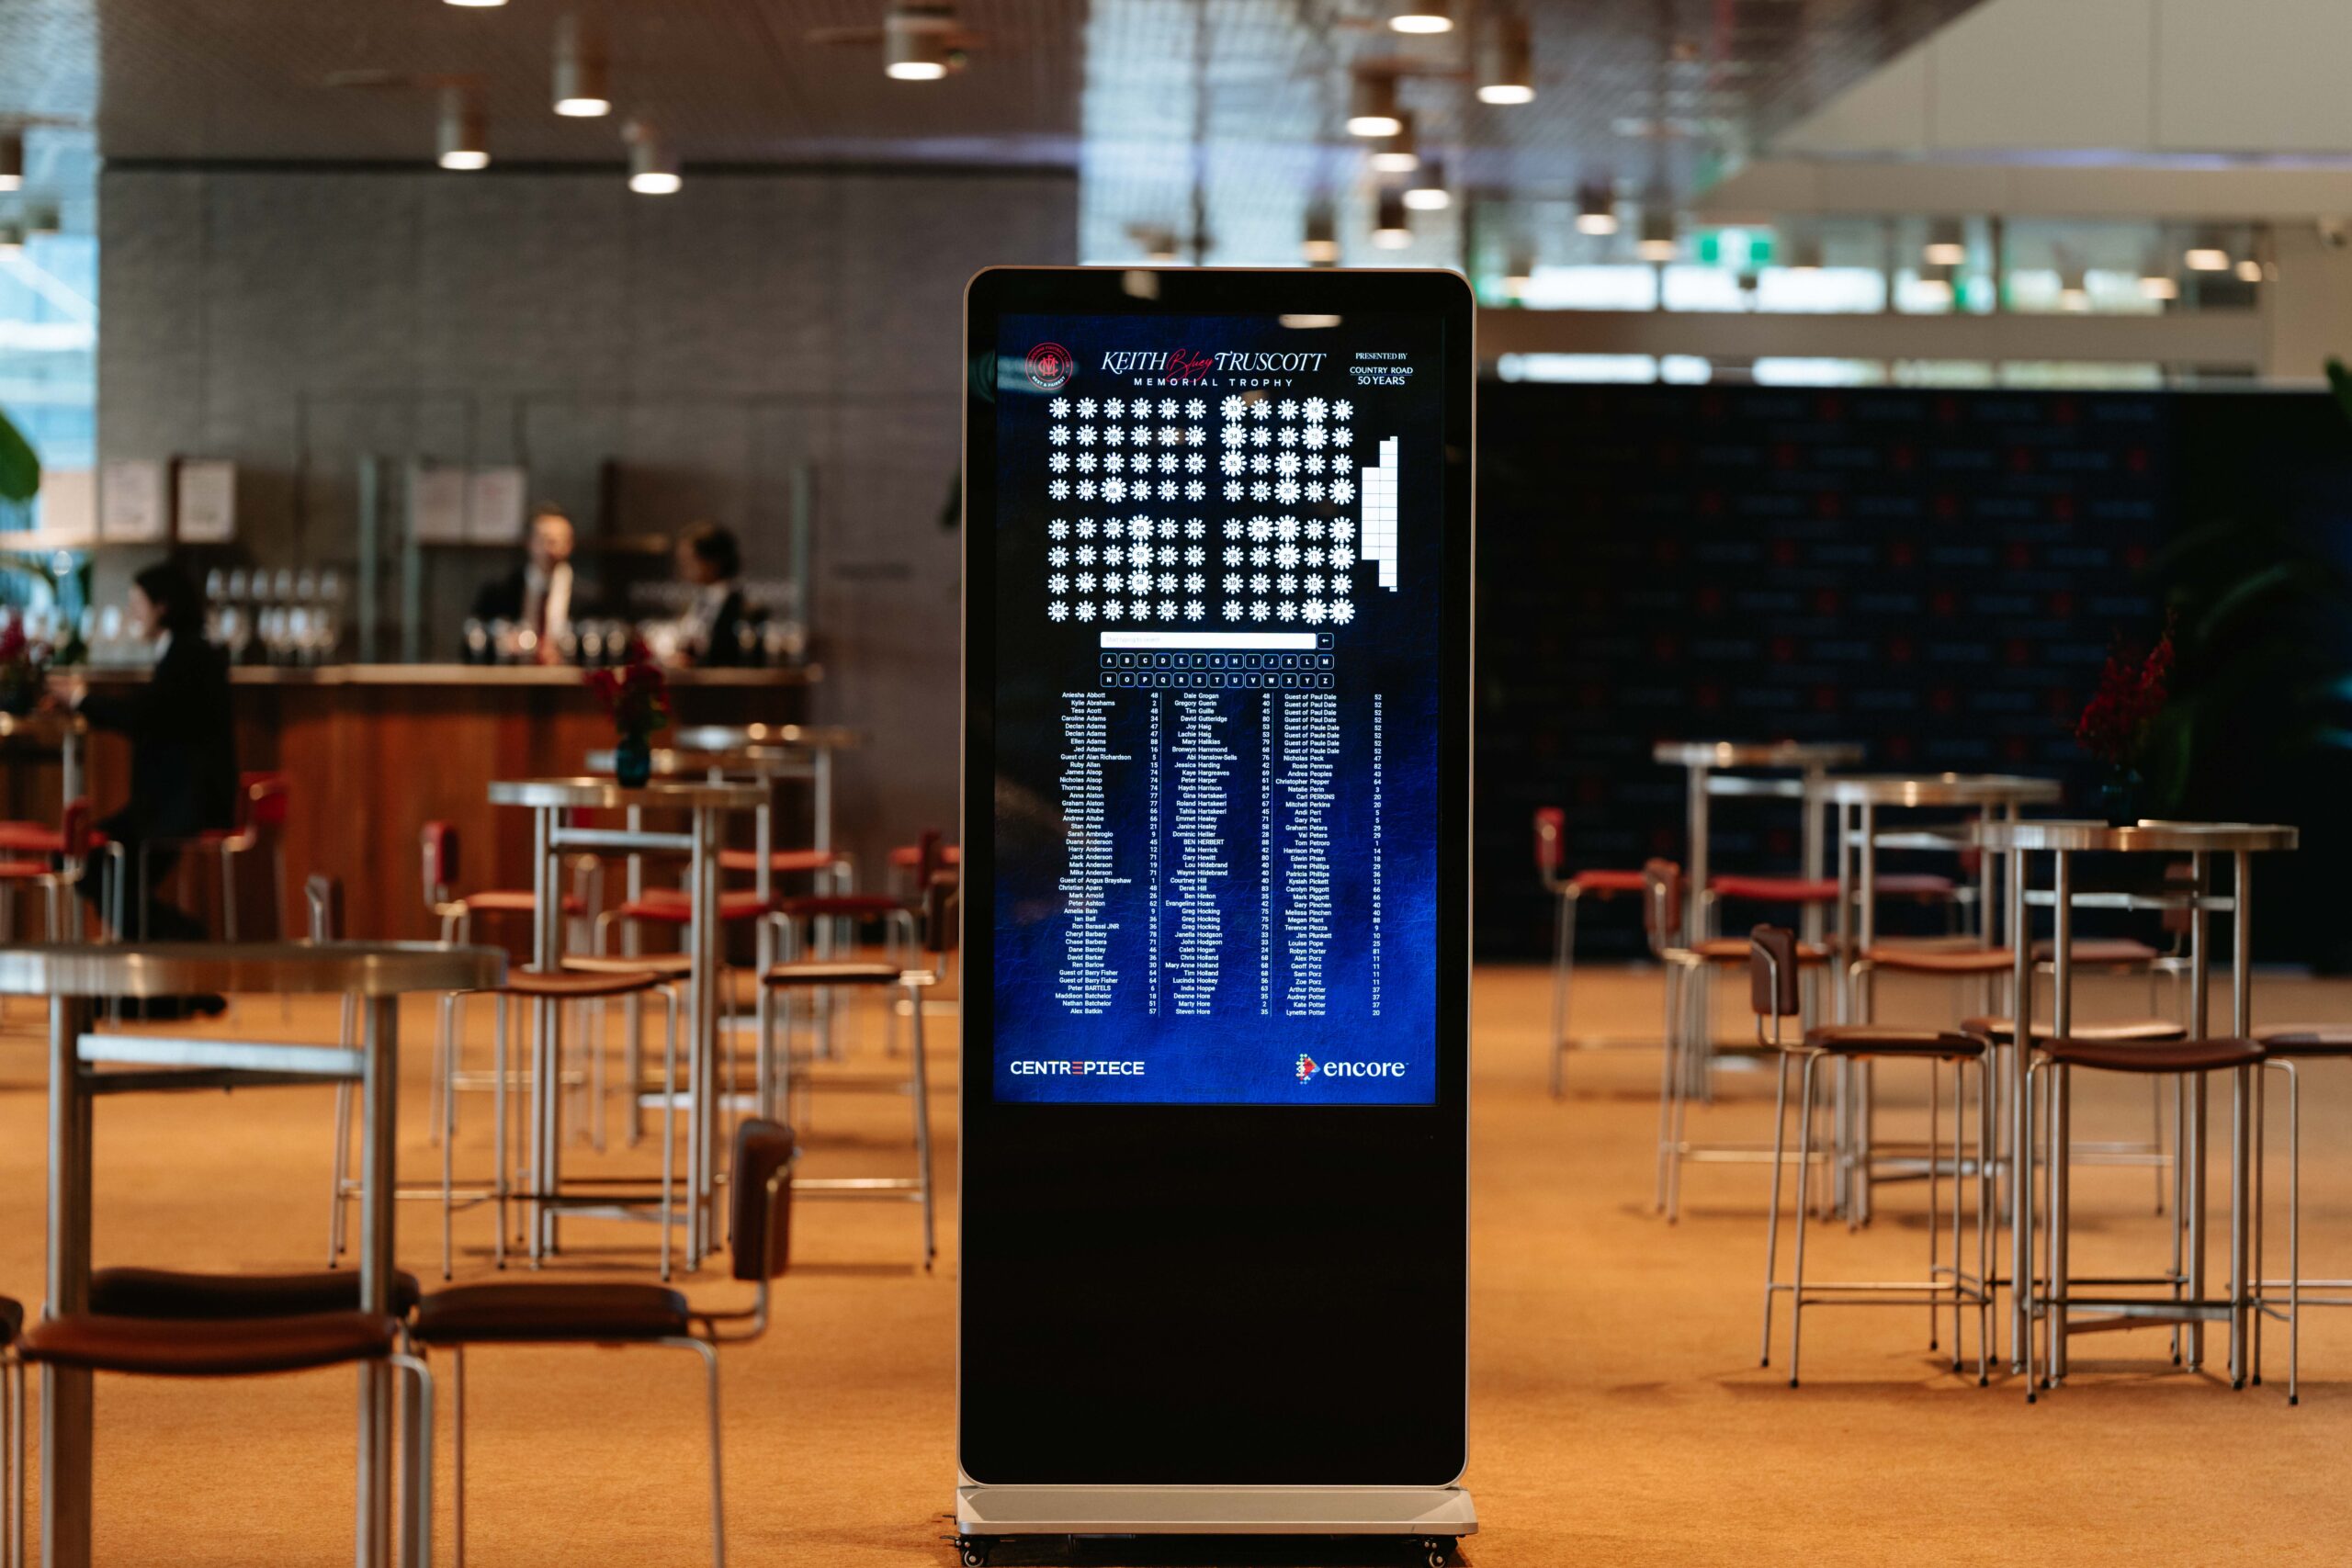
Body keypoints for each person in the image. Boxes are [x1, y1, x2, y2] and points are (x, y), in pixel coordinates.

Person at [52, 559, 240, 983]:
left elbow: (145, 717)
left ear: (163, 607)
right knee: (94, 864)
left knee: (90, 862)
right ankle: (163, 971)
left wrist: (82, 699)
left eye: (137, 602)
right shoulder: (186, 651)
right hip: (171, 800)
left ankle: (181, 949)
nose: (132, 611)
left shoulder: (188, 655)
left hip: (183, 804)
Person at [471, 506, 583, 662]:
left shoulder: (588, 597)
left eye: (558, 540)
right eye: (544, 539)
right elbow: (473, 640)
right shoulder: (499, 590)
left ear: (570, 545)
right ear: (529, 542)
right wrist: (502, 643)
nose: (550, 548)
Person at [672, 522, 753, 667]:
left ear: (713, 562)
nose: (683, 568)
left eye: (689, 560)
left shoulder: (741, 608)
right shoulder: (698, 601)